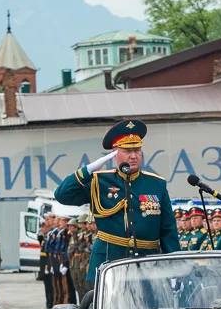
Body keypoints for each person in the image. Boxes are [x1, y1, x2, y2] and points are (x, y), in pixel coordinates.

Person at [54, 119, 179, 281]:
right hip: (109, 261)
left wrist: (175, 268)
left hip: (148, 263)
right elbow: (62, 194)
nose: (133, 156)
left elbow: (168, 230)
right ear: (114, 153)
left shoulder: (156, 184)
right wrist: (88, 169)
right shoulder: (99, 181)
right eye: (127, 151)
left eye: (137, 150)